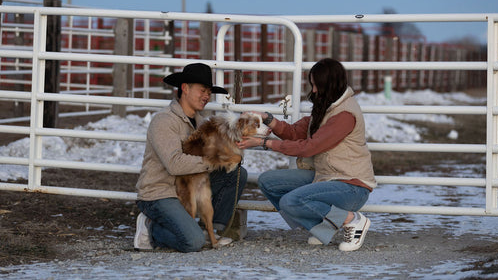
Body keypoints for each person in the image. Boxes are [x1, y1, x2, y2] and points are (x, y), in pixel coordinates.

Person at [237, 58, 376, 251]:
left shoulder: (344, 115)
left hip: (350, 186)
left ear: (330, 84)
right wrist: (267, 118)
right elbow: (294, 133)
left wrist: (263, 143)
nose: (314, 90)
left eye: (317, 85)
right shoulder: (327, 107)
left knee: (291, 201)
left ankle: (353, 220)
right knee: (268, 181)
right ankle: (324, 227)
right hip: (326, 176)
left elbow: (309, 148)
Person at [134, 63, 248, 252]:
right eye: (202, 90)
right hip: (161, 193)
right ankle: (150, 227)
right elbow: (174, 165)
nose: (206, 96)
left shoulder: (201, 122)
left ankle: (211, 229)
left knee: (236, 174)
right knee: (192, 243)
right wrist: (215, 161)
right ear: (185, 88)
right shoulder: (164, 121)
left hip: (189, 187)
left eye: (209, 92)